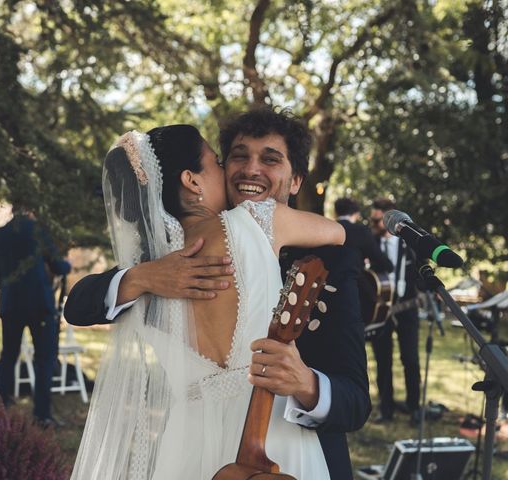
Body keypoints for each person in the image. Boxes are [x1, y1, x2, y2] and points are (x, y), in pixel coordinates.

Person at [66, 109, 371, 479]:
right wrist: (140, 277)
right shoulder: (157, 269)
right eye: (236, 157)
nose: (250, 169)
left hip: (225, 446)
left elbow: (355, 402)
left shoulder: (333, 265)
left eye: (270, 159)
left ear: (295, 181)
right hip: (208, 445)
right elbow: (80, 304)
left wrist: (307, 384)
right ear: (194, 180)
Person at [0, 207, 71, 427]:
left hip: (11, 304)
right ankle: (42, 414)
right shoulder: (39, 231)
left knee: (8, 356)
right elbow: (59, 266)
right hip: (39, 304)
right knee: (44, 359)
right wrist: (66, 263)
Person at [369, 197, 421, 425]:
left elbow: (421, 273)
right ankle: (386, 408)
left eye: (378, 220)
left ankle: (414, 407)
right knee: (383, 361)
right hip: (380, 312)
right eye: (373, 219)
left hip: (407, 310)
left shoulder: (409, 244)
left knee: (410, 359)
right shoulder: (369, 243)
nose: (374, 224)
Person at [334, 197, 393, 274]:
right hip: (350, 282)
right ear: (357, 214)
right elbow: (384, 263)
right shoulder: (361, 231)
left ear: (335, 212)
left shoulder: (327, 228)